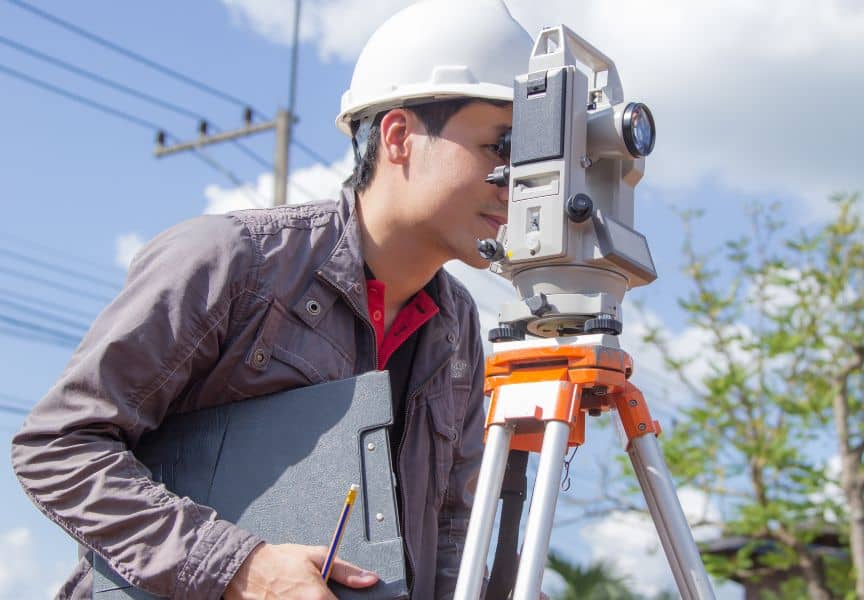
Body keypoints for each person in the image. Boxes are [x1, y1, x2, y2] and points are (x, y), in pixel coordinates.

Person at [10, 1, 534, 598]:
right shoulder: (234, 261)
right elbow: (58, 447)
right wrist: (238, 566)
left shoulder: (457, 327)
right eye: (503, 146)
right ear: (398, 138)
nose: (519, 181)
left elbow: (448, 530)